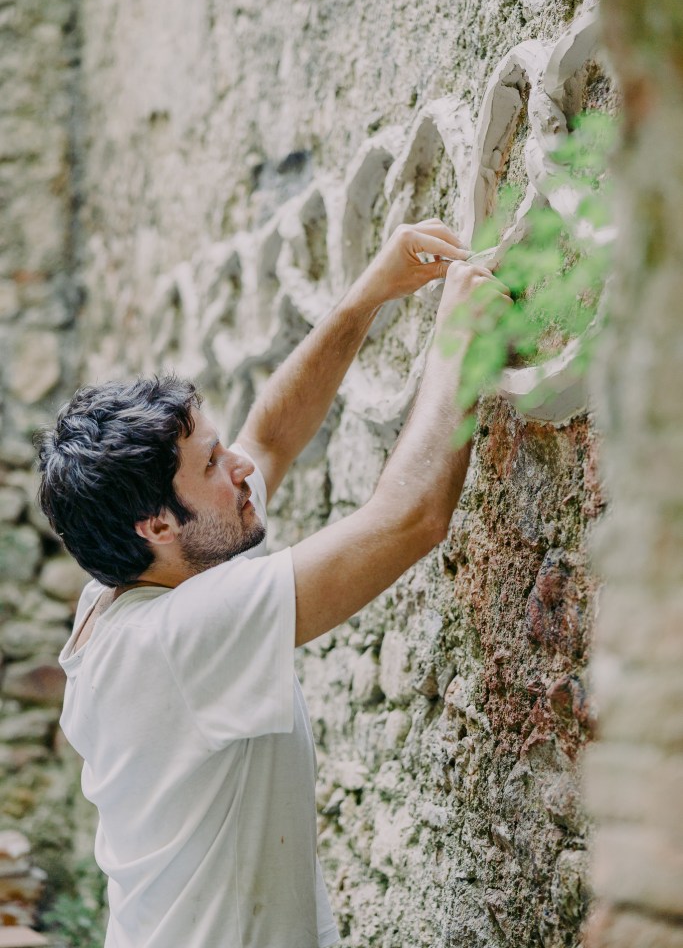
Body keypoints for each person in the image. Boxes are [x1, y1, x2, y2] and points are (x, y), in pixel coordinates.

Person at [37, 219, 510, 948]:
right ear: (156, 525)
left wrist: (369, 294)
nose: (239, 470)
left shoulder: (120, 591)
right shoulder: (179, 635)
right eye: (209, 466)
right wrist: (460, 344)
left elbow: (272, 438)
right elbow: (409, 518)